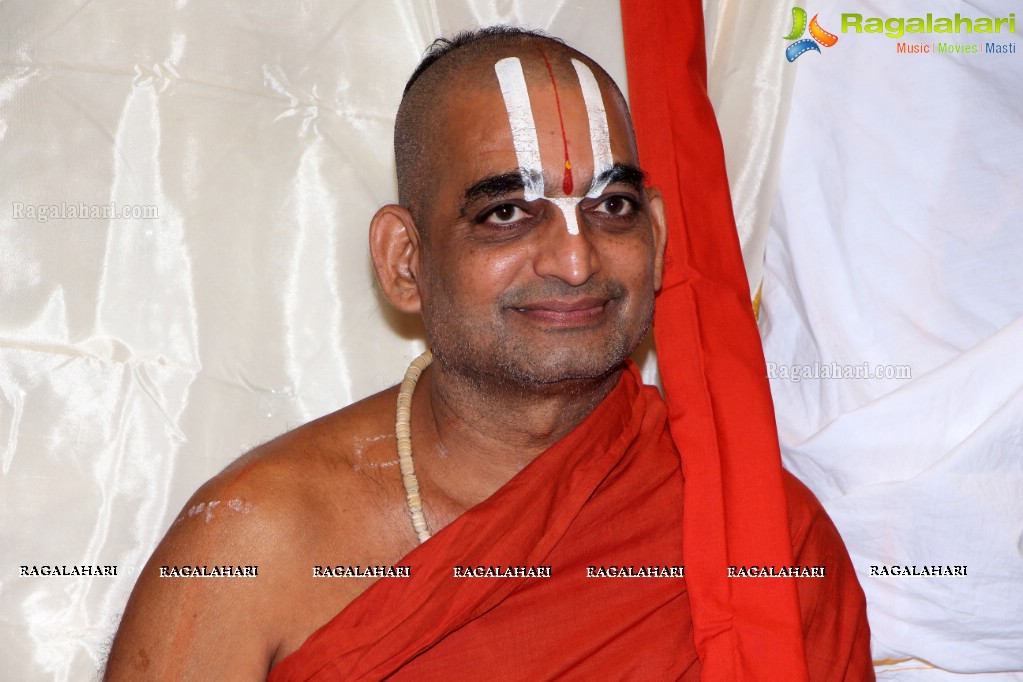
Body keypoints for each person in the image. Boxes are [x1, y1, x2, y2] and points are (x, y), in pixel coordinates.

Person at [104, 26, 872, 681]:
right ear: (405, 259)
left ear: (659, 238)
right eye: (506, 212)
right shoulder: (255, 538)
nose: (576, 262)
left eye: (611, 208)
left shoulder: (764, 535)